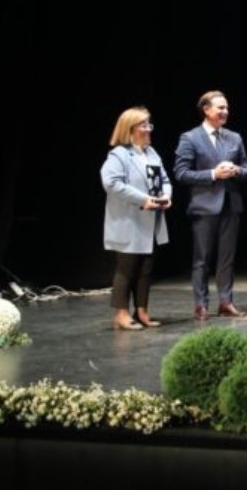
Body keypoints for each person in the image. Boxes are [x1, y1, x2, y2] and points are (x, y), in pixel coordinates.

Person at [174, 90, 247, 321]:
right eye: (220, 108)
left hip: (231, 204)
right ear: (206, 110)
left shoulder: (234, 138)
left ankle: (226, 302)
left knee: (227, 258)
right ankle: (201, 305)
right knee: (202, 259)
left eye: (226, 108)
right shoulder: (190, 138)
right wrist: (213, 174)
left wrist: (236, 171)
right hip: (204, 206)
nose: (225, 112)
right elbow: (181, 173)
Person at [101, 107, 171, 330]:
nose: (148, 129)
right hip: (128, 221)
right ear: (130, 128)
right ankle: (121, 314)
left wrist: (166, 196)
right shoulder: (119, 154)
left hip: (150, 221)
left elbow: (164, 180)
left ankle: (142, 312)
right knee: (127, 268)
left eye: (149, 124)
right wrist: (143, 199)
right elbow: (111, 183)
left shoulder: (152, 153)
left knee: (145, 269)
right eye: (144, 125)